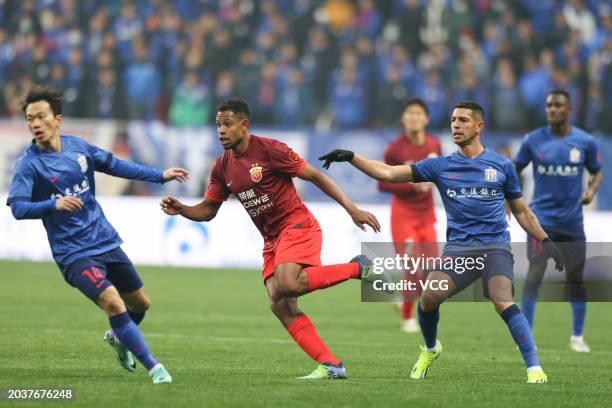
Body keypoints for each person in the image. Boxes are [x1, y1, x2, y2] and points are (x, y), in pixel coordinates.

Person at [319, 101, 565, 384]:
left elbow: (521, 211)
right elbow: (388, 172)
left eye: (462, 120)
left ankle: (534, 367)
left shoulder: (502, 166)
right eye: (453, 120)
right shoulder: (441, 166)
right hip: (459, 251)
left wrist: (546, 240)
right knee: (429, 298)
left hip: (495, 247)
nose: (456, 126)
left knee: (501, 298)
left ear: (479, 126)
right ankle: (431, 348)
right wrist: (351, 156)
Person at [161, 98, 385, 380]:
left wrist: (352, 209)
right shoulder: (221, 167)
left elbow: (315, 176)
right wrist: (182, 210)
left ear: (244, 126)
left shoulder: (270, 149)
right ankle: (332, 365)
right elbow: (207, 210)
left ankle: (359, 268)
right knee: (279, 302)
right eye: (218, 125)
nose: (221, 131)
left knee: (289, 282)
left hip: (297, 224)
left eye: (227, 124)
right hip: (271, 239)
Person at [6, 85, 189, 384]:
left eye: (40, 117)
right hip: (73, 253)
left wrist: (160, 175)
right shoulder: (29, 164)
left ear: (58, 119)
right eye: (29, 119)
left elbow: (115, 165)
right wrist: (53, 204)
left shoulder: (78, 147)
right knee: (114, 303)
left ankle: (118, 338)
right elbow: (17, 207)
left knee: (140, 304)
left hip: (104, 239)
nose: (35, 124)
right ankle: (155, 368)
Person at [515, 89, 602, 353]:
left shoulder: (584, 142)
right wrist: (513, 199)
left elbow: (597, 172)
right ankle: (525, 335)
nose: (552, 109)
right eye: (549, 105)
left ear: (569, 109)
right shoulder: (533, 140)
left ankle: (577, 336)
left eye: (557, 105)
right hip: (540, 221)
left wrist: (591, 190)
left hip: (572, 223)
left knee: (576, 277)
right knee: (534, 274)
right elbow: (513, 169)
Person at [378, 98, 441, 333]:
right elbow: (382, 184)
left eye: (418, 113)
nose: (414, 117)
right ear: (403, 118)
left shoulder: (434, 144)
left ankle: (403, 300)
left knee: (430, 270)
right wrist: (412, 186)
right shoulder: (394, 149)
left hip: (427, 214)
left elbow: (440, 174)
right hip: (403, 215)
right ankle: (407, 318)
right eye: (410, 113)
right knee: (413, 264)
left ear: (426, 118)